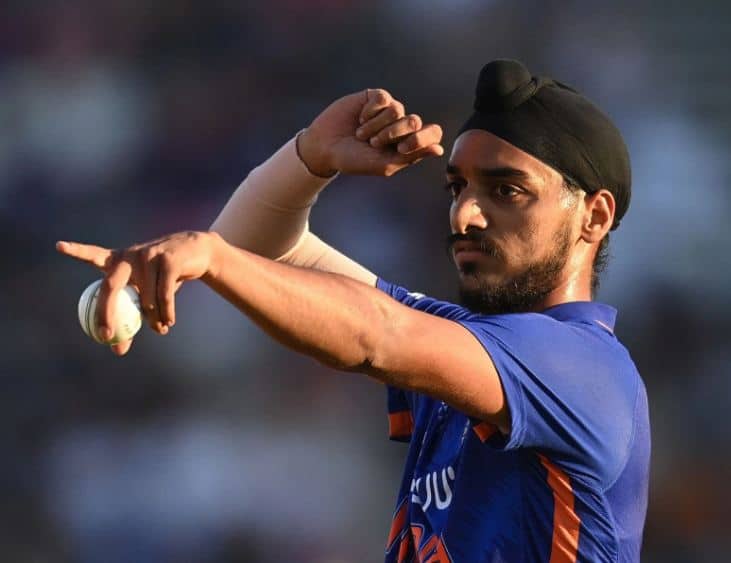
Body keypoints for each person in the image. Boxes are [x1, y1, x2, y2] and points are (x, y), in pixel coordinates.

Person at [57, 60, 650, 562]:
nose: (465, 214)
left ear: (594, 216)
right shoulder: (465, 348)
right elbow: (258, 250)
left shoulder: (583, 368)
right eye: (457, 187)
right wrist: (310, 156)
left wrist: (212, 256)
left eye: (507, 190)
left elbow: (376, 335)